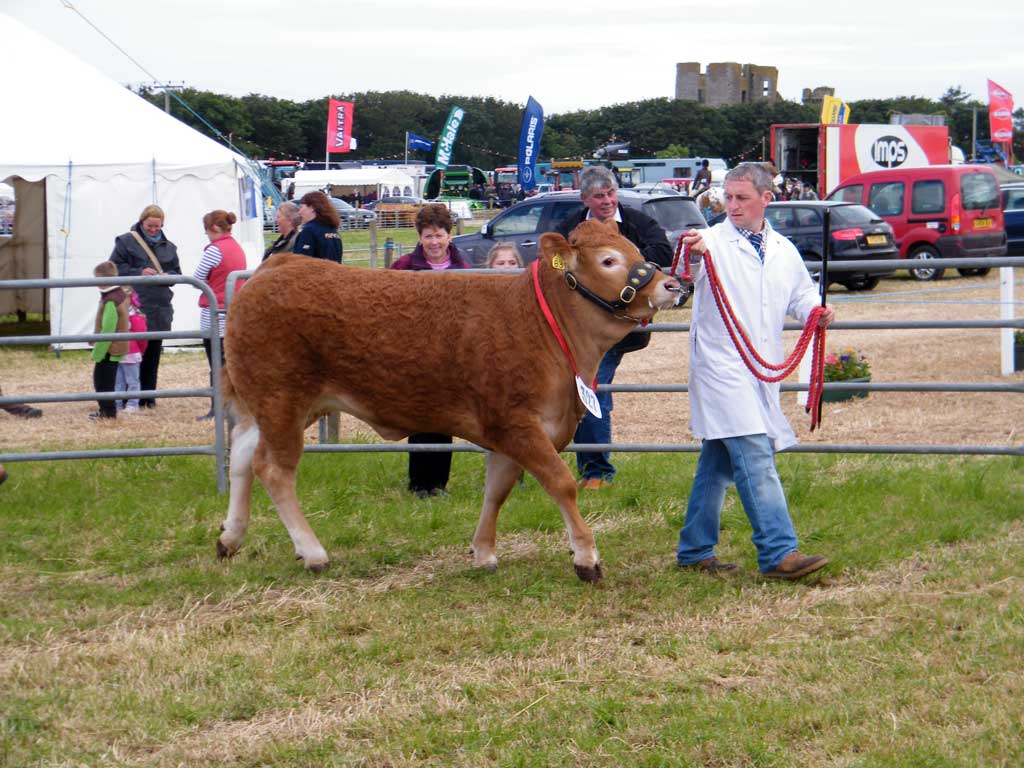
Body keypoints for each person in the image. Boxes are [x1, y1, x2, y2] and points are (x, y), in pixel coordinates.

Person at [675, 162, 835, 580]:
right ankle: (779, 551)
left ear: (767, 198)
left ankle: (694, 548)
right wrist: (689, 255)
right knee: (754, 455)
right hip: (721, 366)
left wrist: (815, 311)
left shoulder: (783, 248)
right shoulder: (707, 242)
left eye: (742, 198)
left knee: (719, 463)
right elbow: (681, 276)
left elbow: (801, 292)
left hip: (761, 367)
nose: (733, 206)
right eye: (727, 198)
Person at [555, 165, 673, 490]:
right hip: (581, 328)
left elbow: (664, 250)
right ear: (585, 199)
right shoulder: (571, 228)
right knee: (581, 389)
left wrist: (625, 267)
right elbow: (551, 262)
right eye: (598, 196)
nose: (606, 201)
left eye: (610, 193)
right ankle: (586, 467)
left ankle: (596, 471)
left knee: (592, 388)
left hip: (622, 325)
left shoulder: (638, 222)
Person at [390, 203, 470, 497]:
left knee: (445, 417)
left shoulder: (464, 269)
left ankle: (439, 483)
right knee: (420, 416)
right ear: (419, 238)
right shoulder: (404, 267)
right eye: (427, 237)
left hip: (450, 354)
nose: (434, 242)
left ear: (449, 236)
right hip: (416, 353)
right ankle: (418, 483)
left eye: (438, 235)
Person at [110, 204, 181, 409]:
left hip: (160, 306)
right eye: (150, 226)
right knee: (129, 355)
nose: (153, 230)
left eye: (157, 227)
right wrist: (139, 271)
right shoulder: (125, 241)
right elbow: (114, 267)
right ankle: (126, 396)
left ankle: (147, 397)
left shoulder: (170, 247)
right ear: (142, 222)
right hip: (134, 307)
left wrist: (169, 276)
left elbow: (177, 273)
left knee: (152, 354)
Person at [193, 210, 248, 420]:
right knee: (230, 363)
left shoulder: (214, 250)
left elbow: (198, 277)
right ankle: (233, 406)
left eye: (207, 231)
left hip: (214, 311)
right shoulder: (236, 247)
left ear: (214, 228)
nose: (207, 235)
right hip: (233, 310)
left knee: (215, 363)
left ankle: (218, 408)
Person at [90, 261, 131, 420]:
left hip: (109, 347)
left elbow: (108, 329)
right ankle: (106, 411)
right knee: (105, 381)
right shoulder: (119, 294)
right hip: (115, 345)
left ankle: (108, 413)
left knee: (102, 382)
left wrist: (97, 352)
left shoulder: (111, 300)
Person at [115, 290, 148, 413]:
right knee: (120, 381)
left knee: (131, 381)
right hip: (119, 353)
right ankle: (117, 403)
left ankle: (132, 404)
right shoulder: (118, 316)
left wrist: (141, 351)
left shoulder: (136, 318)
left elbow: (142, 338)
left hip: (131, 353)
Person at [293, 191, 343, 262]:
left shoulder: (309, 231)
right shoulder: (333, 230)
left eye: (301, 207)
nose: (299, 212)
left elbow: (300, 262)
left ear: (312, 208)